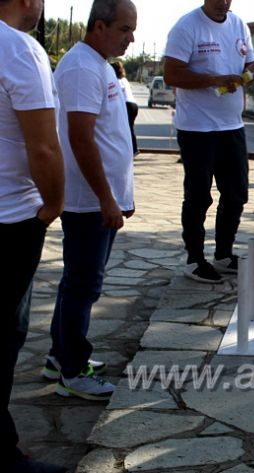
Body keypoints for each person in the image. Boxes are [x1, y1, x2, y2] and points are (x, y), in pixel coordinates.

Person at [44, 0, 137, 402]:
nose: (131, 38)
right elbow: (81, 140)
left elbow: (107, 136)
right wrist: (106, 200)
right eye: (124, 29)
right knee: (83, 287)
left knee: (76, 285)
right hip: (87, 204)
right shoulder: (82, 67)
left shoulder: (97, 63)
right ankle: (72, 371)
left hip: (98, 202)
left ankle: (58, 355)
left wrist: (121, 196)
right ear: (99, 26)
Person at [0, 1, 66, 471]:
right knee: (5, 335)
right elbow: (42, 145)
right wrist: (55, 205)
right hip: (9, 219)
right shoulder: (20, 49)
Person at [164, 0, 254, 284]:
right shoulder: (187, 27)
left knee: (236, 193)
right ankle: (194, 259)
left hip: (232, 125)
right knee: (199, 196)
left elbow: (246, 66)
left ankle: (223, 254)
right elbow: (171, 74)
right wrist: (214, 79)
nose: (224, 3)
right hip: (197, 127)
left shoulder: (239, 25)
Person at [110, 60, 139, 156]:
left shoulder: (115, 80)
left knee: (126, 128)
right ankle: (132, 148)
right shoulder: (124, 80)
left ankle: (133, 149)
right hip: (134, 104)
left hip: (126, 104)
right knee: (129, 127)